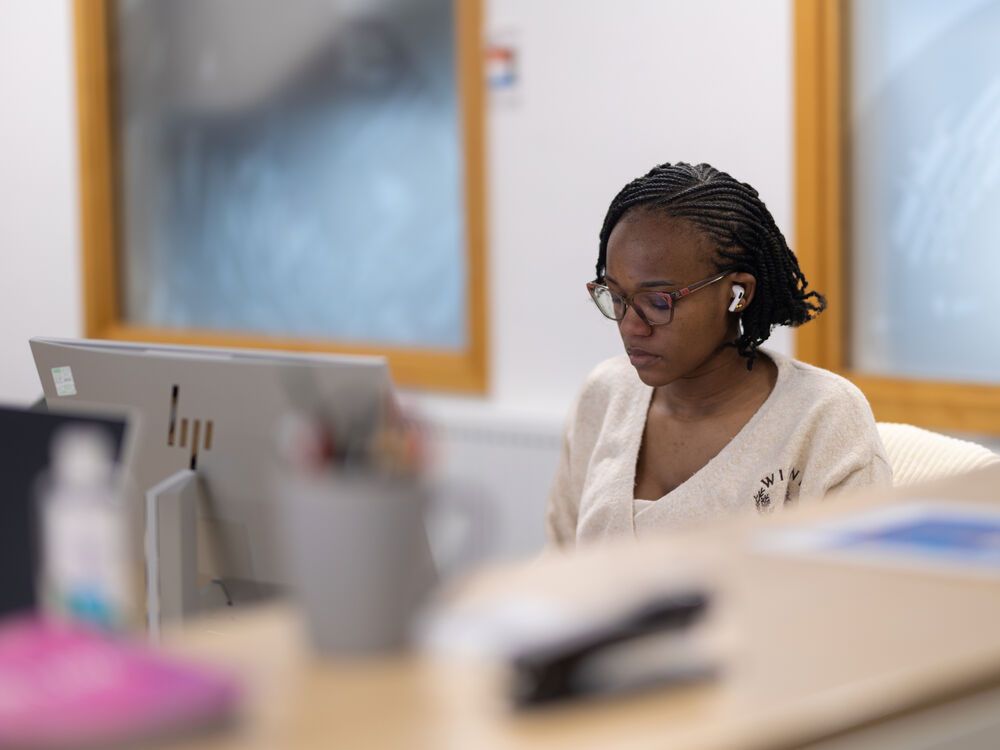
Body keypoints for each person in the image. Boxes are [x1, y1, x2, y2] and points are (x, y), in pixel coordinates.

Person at [547, 162, 891, 547]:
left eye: (658, 302)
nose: (630, 326)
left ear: (737, 293)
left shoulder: (822, 417)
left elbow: (855, 589)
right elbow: (560, 562)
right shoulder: (606, 394)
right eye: (615, 296)